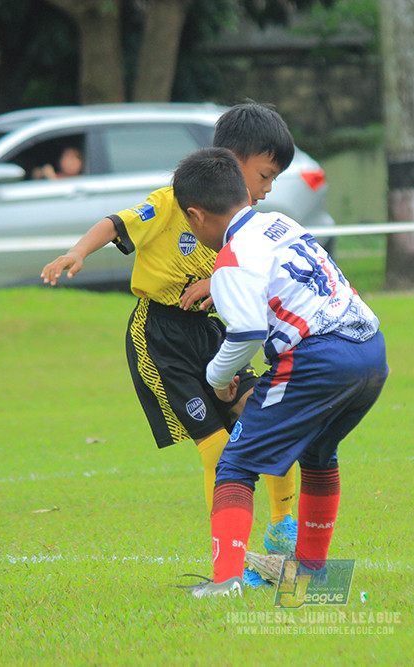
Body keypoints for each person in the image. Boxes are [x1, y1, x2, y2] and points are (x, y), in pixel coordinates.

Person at [39, 105, 300, 585]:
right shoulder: (170, 202)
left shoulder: (250, 223)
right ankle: (233, 560)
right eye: (265, 175)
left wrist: (214, 283)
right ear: (231, 160)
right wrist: (76, 252)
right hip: (160, 338)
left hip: (213, 332)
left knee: (265, 419)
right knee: (218, 450)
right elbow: (115, 225)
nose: (266, 188)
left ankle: (283, 533)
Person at [169, 147, 388, 599]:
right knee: (319, 452)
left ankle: (226, 581)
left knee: (235, 464)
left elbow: (246, 332)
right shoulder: (282, 223)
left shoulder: (230, 256)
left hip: (319, 357)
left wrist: (215, 378)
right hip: (370, 349)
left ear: (196, 215)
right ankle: (311, 575)